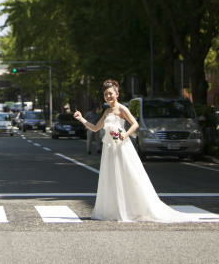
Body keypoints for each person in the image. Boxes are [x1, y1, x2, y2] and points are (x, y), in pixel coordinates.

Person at [74, 79, 199, 222]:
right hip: (110, 148)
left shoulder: (121, 109)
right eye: (105, 95)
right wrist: (81, 119)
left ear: (117, 94)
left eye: (110, 94)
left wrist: (124, 135)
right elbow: (96, 127)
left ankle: (135, 207)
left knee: (129, 174)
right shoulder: (107, 111)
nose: (108, 97)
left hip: (121, 146)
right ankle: (115, 209)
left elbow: (135, 124)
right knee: (112, 176)